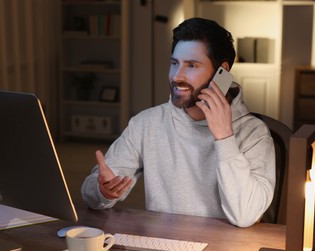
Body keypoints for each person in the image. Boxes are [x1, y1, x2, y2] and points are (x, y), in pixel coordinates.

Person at [81, 17, 275, 228]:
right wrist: (103, 191)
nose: (177, 76)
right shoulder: (147, 123)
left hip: (224, 250)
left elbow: (245, 215)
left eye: (191, 66)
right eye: (174, 64)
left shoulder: (254, 133)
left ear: (222, 72)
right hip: (163, 246)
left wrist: (225, 137)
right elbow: (90, 194)